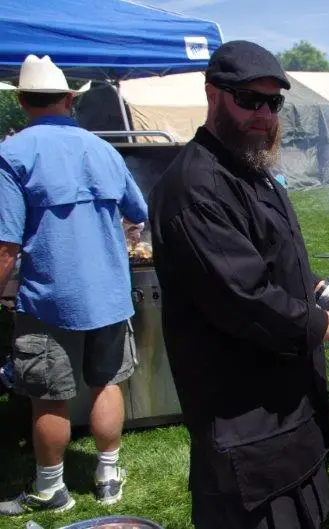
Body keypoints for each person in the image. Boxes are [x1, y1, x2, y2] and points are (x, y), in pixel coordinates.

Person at [147, 40, 329, 529]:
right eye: (249, 100)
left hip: (287, 414)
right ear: (213, 94)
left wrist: (321, 288)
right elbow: (247, 302)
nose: (263, 115)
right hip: (246, 426)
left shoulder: (251, 170)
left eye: (273, 104)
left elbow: (272, 260)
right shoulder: (196, 188)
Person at [0, 55, 148, 515]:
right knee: (108, 384)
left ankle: (50, 489)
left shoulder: (11, 155)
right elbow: (138, 211)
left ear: (22, 102)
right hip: (109, 294)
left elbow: (5, 246)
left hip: (48, 299)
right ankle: (107, 476)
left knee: (49, 396)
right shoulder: (103, 149)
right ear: (69, 100)